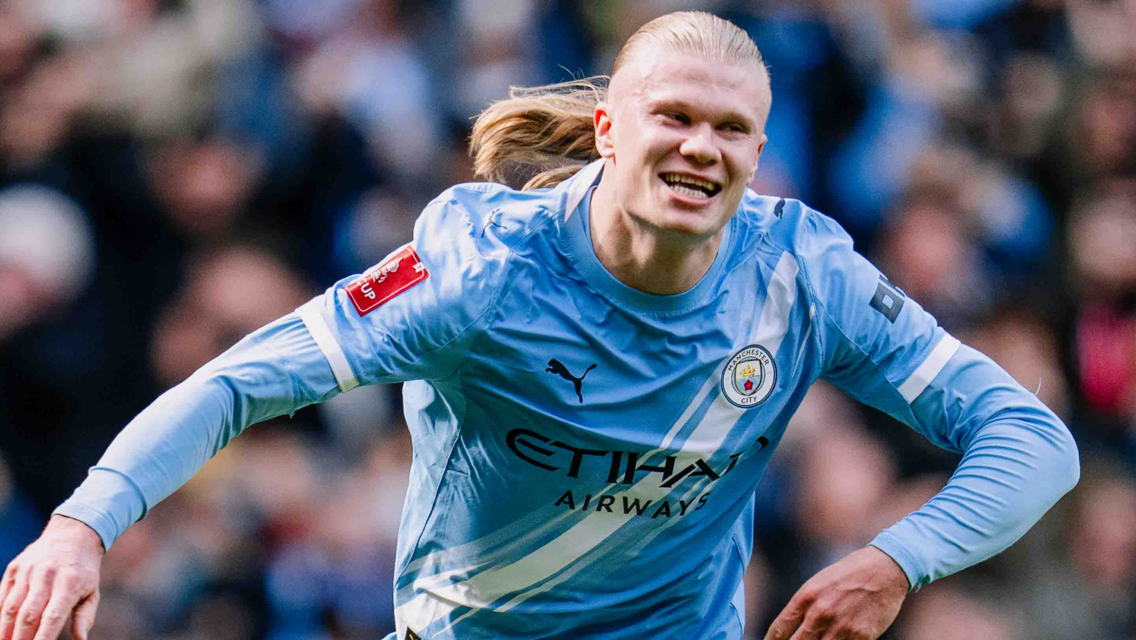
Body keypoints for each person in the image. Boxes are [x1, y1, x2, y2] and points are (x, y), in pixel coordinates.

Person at [0, 11, 1079, 640]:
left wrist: (896, 560)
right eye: (673, 117)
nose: (701, 148)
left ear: (758, 153)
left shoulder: (804, 277)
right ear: (608, 130)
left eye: (730, 129)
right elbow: (242, 380)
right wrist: (82, 524)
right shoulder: (481, 270)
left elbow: (1034, 439)